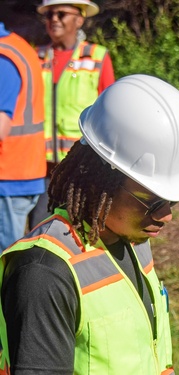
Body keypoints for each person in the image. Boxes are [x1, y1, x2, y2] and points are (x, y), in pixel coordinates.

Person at [0, 74, 179, 374]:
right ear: (101, 181)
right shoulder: (44, 273)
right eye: (153, 202)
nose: (166, 216)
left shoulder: (132, 239)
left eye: (171, 202)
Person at [28, 0, 115, 227]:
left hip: (81, 162)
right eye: (49, 15)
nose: (54, 19)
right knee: (40, 226)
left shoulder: (97, 57)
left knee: (78, 227)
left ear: (79, 19)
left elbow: (110, 110)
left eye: (61, 14)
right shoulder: (35, 57)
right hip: (41, 164)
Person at [0, 22, 46, 251]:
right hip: (22, 172)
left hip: (8, 178)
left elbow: (1, 124)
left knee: (4, 260)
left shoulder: (3, 58)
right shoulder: (17, 46)